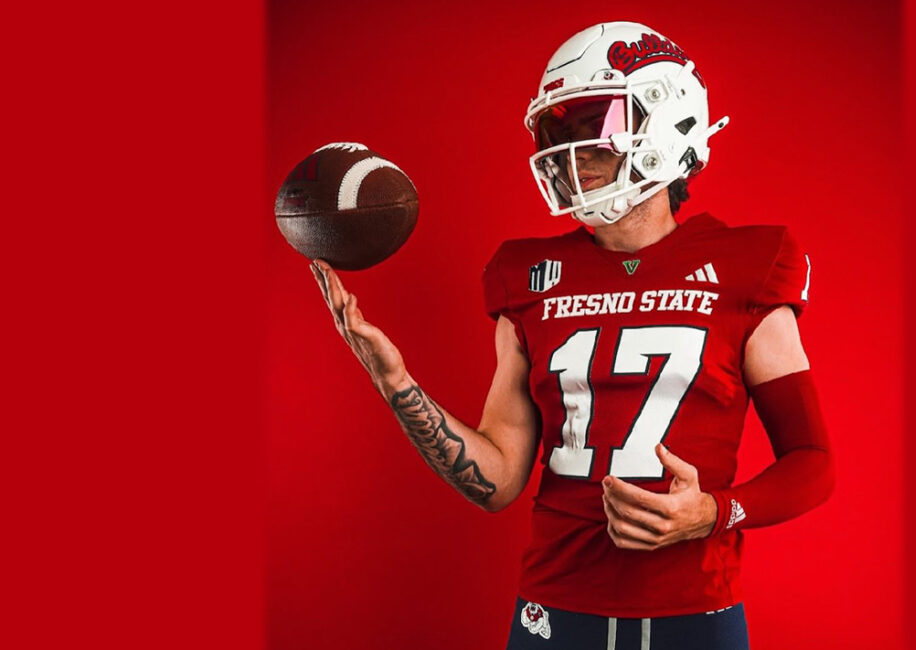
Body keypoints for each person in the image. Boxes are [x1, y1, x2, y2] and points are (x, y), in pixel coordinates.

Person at [310, 21, 834, 650]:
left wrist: (712, 513)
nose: (570, 153)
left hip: (696, 615)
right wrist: (396, 382)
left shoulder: (750, 262)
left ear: (668, 124)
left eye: (593, 127)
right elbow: (499, 479)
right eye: (559, 133)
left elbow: (813, 462)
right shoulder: (526, 273)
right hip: (553, 614)